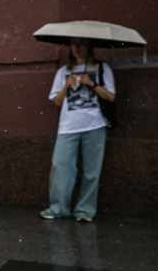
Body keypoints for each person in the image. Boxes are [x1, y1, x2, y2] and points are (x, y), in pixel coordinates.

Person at [40, 37, 115, 222]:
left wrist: (92, 84)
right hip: (68, 126)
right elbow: (56, 101)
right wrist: (66, 84)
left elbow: (111, 96)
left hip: (95, 125)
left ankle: (85, 211)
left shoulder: (102, 69)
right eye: (73, 44)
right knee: (60, 166)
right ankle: (58, 209)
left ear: (89, 46)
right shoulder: (63, 72)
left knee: (92, 171)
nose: (77, 48)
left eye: (81, 44)